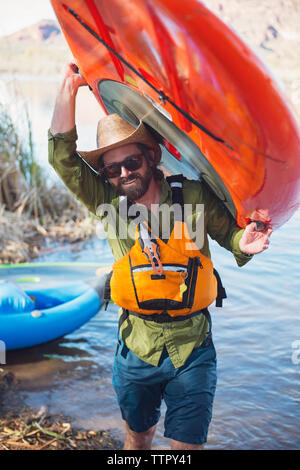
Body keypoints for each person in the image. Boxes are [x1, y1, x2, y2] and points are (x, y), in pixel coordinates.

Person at [48, 63, 272, 450]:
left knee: (186, 449)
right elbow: (62, 159)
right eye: (113, 168)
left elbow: (231, 235)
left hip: (193, 348)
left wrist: (244, 243)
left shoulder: (194, 195)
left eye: (132, 162)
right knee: (138, 440)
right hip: (137, 347)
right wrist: (69, 89)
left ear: (151, 156)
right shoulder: (107, 202)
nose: (124, 173)